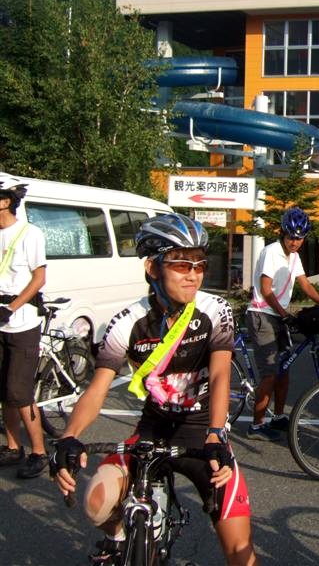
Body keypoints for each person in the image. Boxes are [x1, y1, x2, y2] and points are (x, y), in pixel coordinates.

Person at [50, 213, 257, 565]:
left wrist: (216, 435)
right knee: (97, 503)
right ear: (153, 268)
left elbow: (221, 374)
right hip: (153, 428)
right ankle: (120, 539)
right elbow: (98, 387)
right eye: (181, 264)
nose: (194, 274)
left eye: (200, 264)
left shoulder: (215, 310)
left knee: (240, 552)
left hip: (202, 432)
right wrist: (68, 437)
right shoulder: (128, 322)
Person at [246, 206, 319, 441]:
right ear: (283, 233)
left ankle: (279, 416)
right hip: (262, 314)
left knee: (284, 370)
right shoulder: (272, 252)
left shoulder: (294, 257)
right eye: (291, 237)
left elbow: (305, 284)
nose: (295, 242)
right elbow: (265, 290)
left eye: (300, 238)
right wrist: (284, 314)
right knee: (270, 372)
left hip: (278, 315)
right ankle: (256, 425)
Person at [0, 179, 48, 479]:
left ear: (6, 201)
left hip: (21, 322)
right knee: (3, 389)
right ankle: (13, 447)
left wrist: (11, 307)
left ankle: (38, 452)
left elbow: (39, 278)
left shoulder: (30, 233)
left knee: (19, 391)